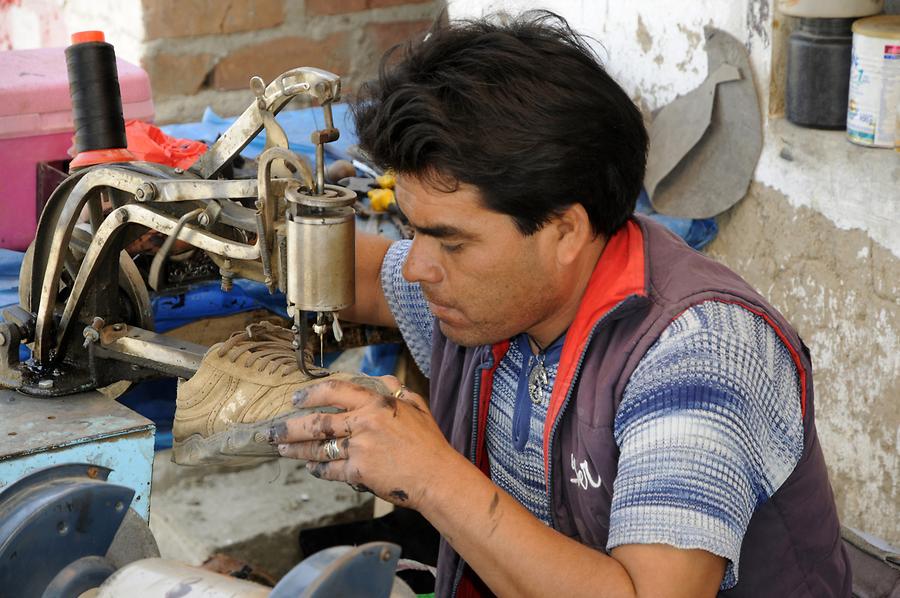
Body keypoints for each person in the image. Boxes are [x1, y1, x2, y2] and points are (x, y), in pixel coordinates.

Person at [269, 11, 851, 597]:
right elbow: (364, 278)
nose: (417, 266)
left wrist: (428, 474)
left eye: (450, 240)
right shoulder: (500, 292)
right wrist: (214, 238)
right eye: (412, 230)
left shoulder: (699, 354)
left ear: (565, 232)